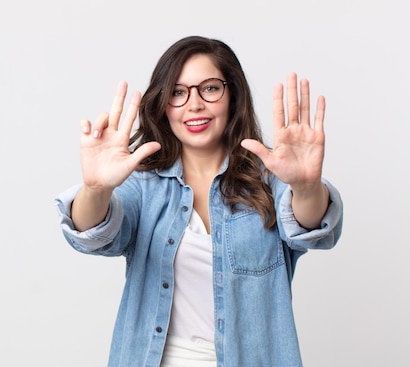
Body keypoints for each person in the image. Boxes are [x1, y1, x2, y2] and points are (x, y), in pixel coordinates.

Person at [54, 35, 343, 367]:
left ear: (232, 96)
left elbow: (311, 228)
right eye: (178, 92)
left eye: (209, 88)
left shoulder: (270, 180)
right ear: (163, 105)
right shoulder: (144, 185)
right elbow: (93, 234)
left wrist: (306, 188)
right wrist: (96, 188)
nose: (194, 105)